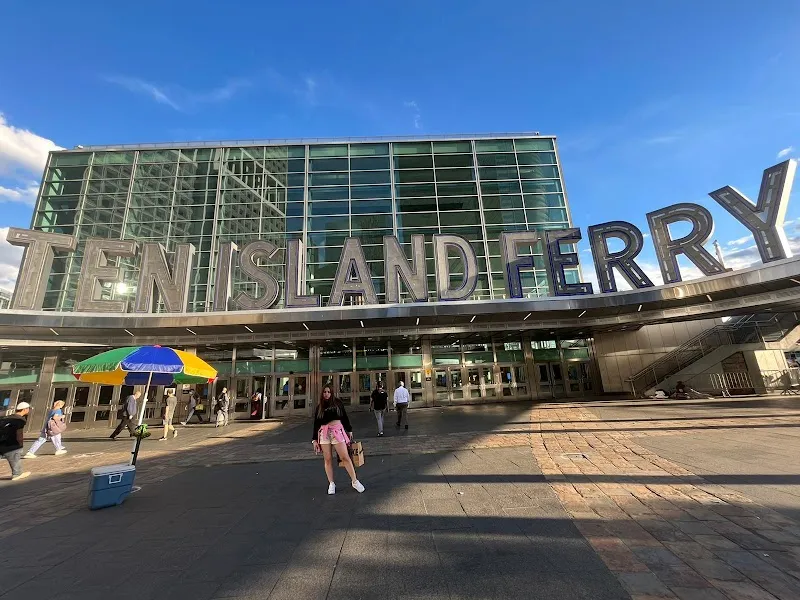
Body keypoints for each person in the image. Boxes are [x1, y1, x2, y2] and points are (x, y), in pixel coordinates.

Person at [311, 386, 365, 495]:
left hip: (337, 431)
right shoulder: (320, 407)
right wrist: (314, 440)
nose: (326, 394)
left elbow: (344, 417)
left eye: (328, 392)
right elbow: (316, 423)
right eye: (324, 392)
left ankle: (354, 481)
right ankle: (331, 483)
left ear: (332, 393)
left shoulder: (337, 403)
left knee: (345, 457)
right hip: (324, 433)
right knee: (327, 459)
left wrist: (349, 429)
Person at [0, 402, 32, 481]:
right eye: (28, 409)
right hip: (12, 443)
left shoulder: (7, 418)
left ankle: (18, 473)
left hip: (2, 442)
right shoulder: (20, 420)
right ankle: (17, 474)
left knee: (14, 457)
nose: (29, 410)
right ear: (24, 409)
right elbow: (16, 432)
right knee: (15, 457)